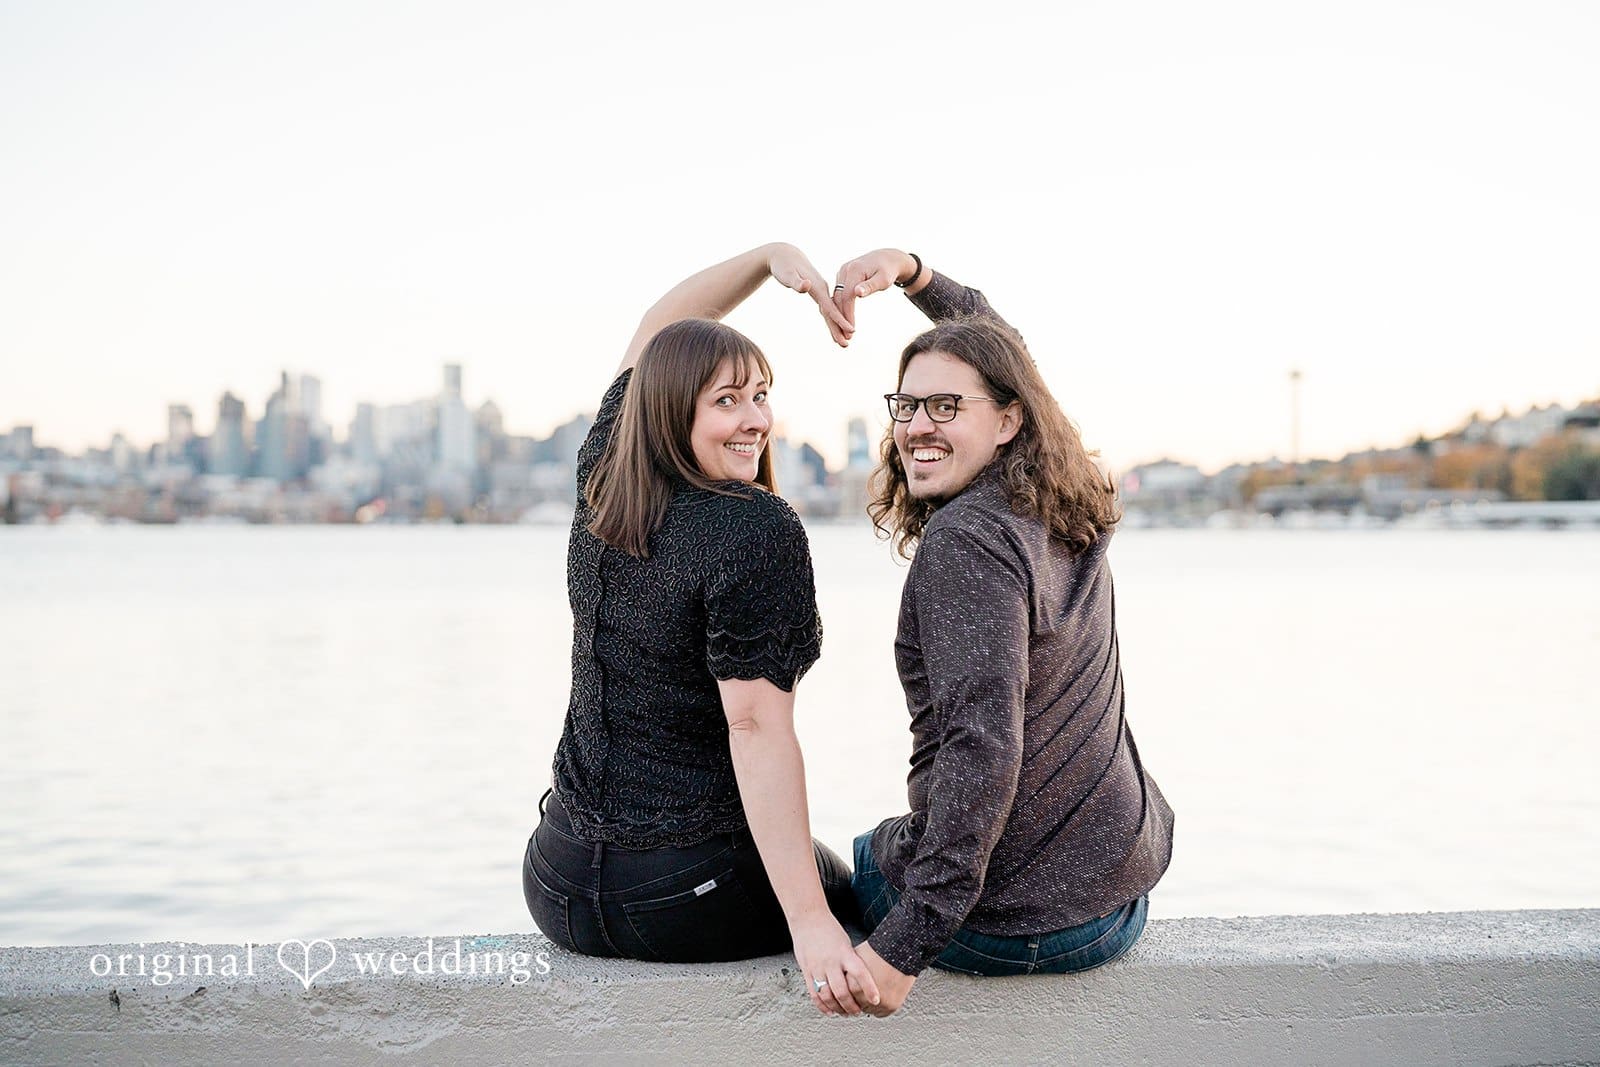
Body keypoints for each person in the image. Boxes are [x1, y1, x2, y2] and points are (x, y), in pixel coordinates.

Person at [522, 243, 880, 1016]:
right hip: (682, 898)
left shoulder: (602, 478)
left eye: (761, 395)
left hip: (556, 883)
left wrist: (768, 259)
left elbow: (663, 322)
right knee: (870, 885)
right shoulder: (752, 529)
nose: (757, 420)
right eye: (727, 401)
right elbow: (754, 727)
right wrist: (811, 922)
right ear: (671, 409)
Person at [828, 248, 1175, 1016]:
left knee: (851, 865)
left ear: (1010, 419)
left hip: (1017, 925)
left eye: (946, 406)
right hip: (1116, 897)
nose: (918, 425)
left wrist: (904, 947)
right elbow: (1003, 351)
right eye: (907, 405)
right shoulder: (1062, 508)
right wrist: (915, 274)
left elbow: (982, 747)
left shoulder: (969, 540)